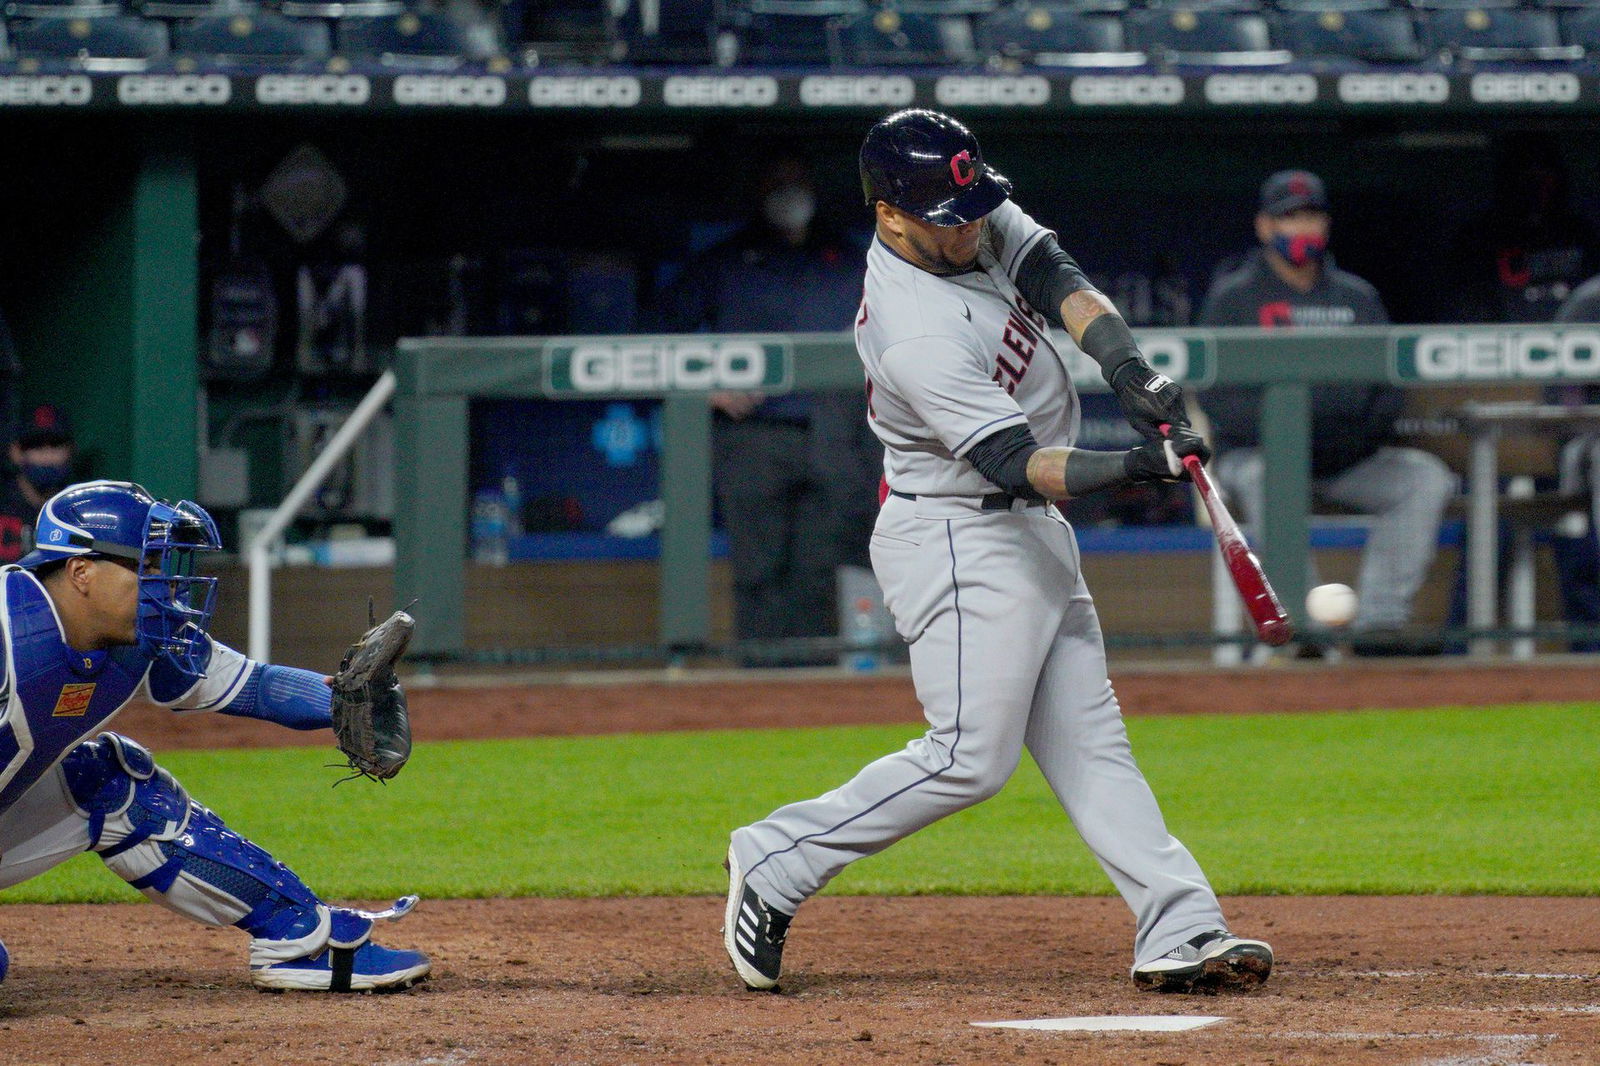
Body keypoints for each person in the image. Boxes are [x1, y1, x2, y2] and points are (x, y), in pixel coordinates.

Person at [722, 109, 1273, 996]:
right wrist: (1139, 463)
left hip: (1026, 532)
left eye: (973, 203)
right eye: (949, 214)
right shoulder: (912, 326)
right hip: (957, 533)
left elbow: (1054, 273)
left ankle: (1181, 924)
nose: (970, 222)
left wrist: (1129, 371)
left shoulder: (961, 212)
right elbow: (1016, 465)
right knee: (970, 759)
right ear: (890, 215)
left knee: (1093, 740)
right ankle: (777, 856)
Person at [0, 480, 429, 993]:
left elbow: (253, 685)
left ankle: (302, 942)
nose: (165, 586)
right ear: (82, 572)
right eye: (149, 567)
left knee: (112, 779)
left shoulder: (139, 640)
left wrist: (342, 704)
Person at [1197, 169, 1456, 657]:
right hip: (1261, 457)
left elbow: (1388, 389)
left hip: (1345, 459)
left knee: (1424, 478)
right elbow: (1218, 400)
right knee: (1264, 476)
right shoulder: (1233, 298)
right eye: (1288, 218)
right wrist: (1292, 433)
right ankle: (1301, 629)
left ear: (1325, 225)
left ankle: (1380, 626)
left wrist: (1340, 435)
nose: (1301, 228)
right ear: (1264, 226)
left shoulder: (1356, 298)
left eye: (1310, 216)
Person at [651, 156, 877, 666]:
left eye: (797, 183)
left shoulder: (849, 256)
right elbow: (659, 332)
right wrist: (705, 384)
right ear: (760, 193)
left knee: (821, 565)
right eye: (779, 185)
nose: (790, 195)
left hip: (834, 429)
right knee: (758, 566)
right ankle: (760, 678)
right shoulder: (727, 260)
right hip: (752, 432)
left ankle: (813, 684)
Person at [0, 403, 77, 564]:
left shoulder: (79, 511)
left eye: (56, 445)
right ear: (16, 452)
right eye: (36, 446)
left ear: (70, 450)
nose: (47, 456)